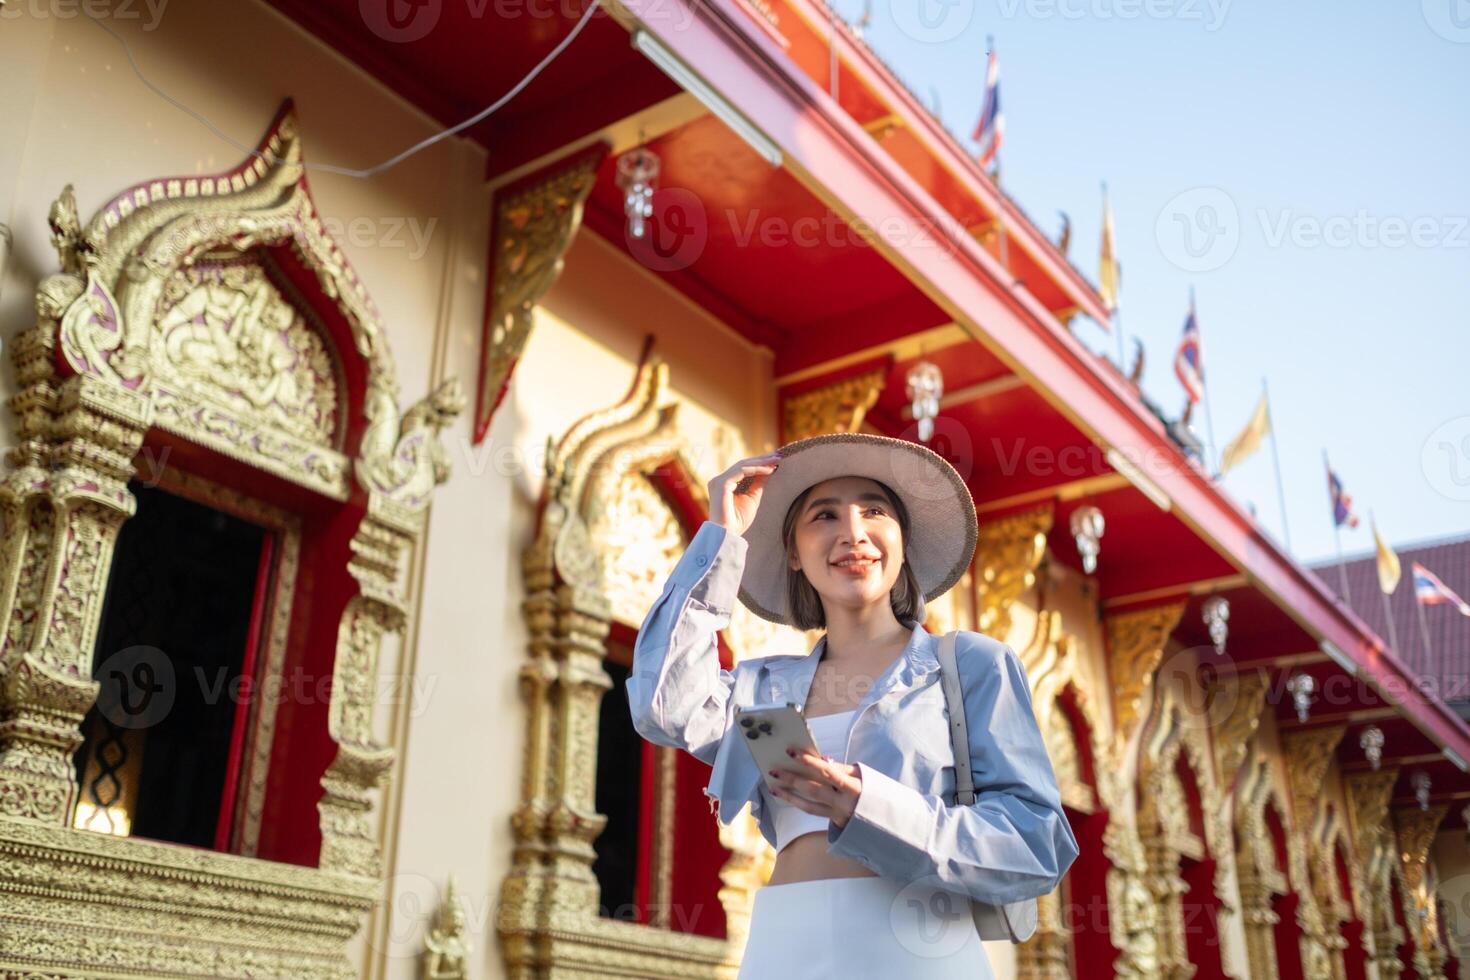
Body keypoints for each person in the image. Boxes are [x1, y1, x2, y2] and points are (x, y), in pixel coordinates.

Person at [627, 433, 1078, 977]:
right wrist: (721, 537)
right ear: (794, 552)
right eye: (824, 516)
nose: (853, 534)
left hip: (918, 948)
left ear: (902, 539)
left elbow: (1036, 844)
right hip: (785, 949)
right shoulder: (762, 686)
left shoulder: (969, 666)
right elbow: (662, 704)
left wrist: (864, 803)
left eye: (874, 511)